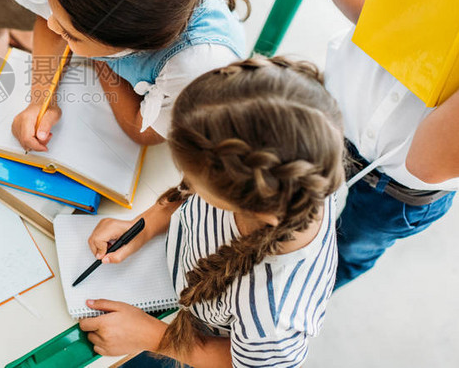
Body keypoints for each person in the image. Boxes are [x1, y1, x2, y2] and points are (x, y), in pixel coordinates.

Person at [78, 57, 345, 366]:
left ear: (243, 202)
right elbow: (189, 195)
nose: (186, 184)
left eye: (195, 181)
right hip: (174, 288)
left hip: (190, 342)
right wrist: (145, 223)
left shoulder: (274, 314)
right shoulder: (299, 168)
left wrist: (153, 337)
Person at [325, 0, 459, 289]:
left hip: (394, 188)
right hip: (333, 109)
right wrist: (418, 40)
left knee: (343, 255)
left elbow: (430, 162)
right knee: (266, 215)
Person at [11, 0, 249, 151]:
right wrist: (41, 101)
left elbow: (141, 132)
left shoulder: (193, 70)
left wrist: (100, 60)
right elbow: (54, 20)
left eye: (71, 34)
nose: (50, 23)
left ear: (122, 43)